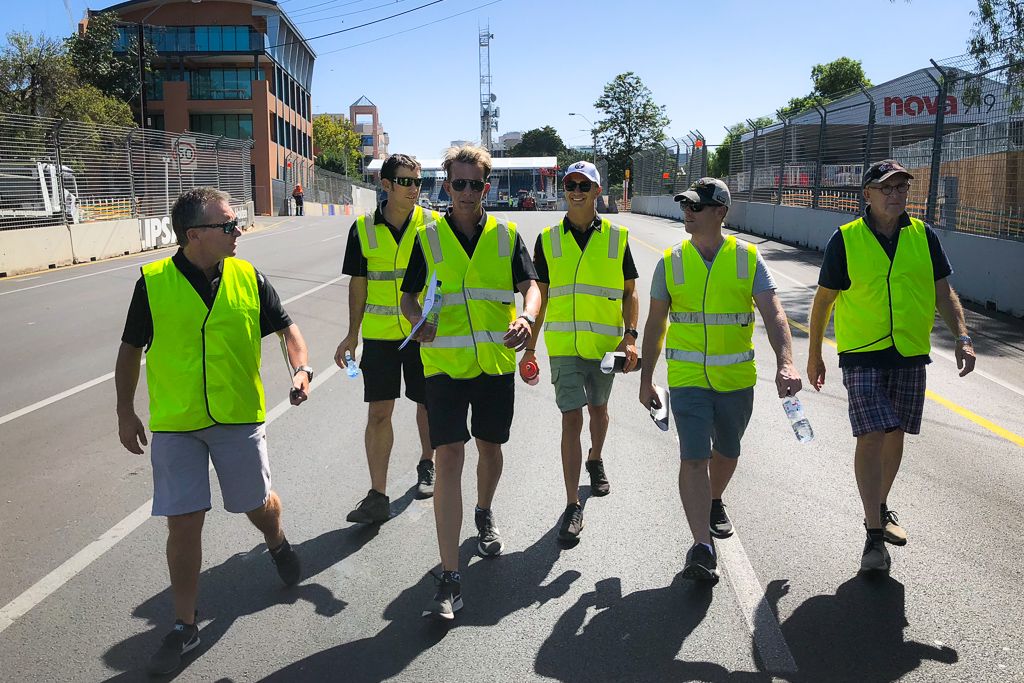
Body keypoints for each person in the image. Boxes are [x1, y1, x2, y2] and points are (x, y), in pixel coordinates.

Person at [115, 187, 311, 675]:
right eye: (228, 225)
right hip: (177, 422)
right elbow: (129, 351)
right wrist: (124, 411)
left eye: (237, 222)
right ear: (194, 235)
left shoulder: (249, 276)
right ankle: (185, 624)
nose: (238, 230)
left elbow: (288, 330)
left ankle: (277, 541)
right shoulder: (153, 282)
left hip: (237, 415)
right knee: (183, 520)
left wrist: (300, 369)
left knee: (255, 505)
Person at [807, 159, 976, 574]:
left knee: (896, 430)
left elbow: (942, 290)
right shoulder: (845, 239)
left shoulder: (923, 234)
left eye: (902, 187)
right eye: (887, 188)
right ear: (867, 194)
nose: (897, 194)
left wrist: (962, 335)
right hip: (862, 353)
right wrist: (814, 353)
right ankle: (872, 535)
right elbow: (824, 300)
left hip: (910, 352)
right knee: (871, 434)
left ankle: (880, 506)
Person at [400, 144, 541, 620]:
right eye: (456, 183)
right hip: (443, 367)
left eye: (474, 183)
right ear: (446, 185)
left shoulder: (506, 235)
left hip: (496, 366)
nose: (465, 192)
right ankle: (450, 575)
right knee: (449, 456)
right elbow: (407, 298)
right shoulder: (430, 238)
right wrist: (419, 321)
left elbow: (532, 286)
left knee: (490, 448)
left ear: (487, 186)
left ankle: (483, 512)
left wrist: (527, 316)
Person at [639, 178, 802, 583]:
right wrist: (647, 379)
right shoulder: (671, 261)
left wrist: (786, 362)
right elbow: (656, 323)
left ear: (720, 212)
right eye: (686, 205)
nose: (688, 211)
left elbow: (775, 314)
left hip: (736, 380)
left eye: (697, 206)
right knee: (693, 457)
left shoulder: (748, 259)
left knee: (727, 451)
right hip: (688, 378)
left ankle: (715, 499)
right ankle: (701, 547)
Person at [524, 160, 639, 543]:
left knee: (600, 412)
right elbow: (538, 293)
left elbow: (630, 292)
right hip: (563, 347)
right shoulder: (548, 239)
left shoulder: (617, 237)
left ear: (596, 191)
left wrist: (631, 337)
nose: (575, 190)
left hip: (604, 347)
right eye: (570, 184)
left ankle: (595, 458)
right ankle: (572, 505)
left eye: (583, 185)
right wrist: (529, 348)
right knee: (570, 419)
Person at [335, 154, 437, 523]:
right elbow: (358, 284)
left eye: (418, 182)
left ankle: (428, 463)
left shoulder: (432, 225)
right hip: (379, 339)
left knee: (426, 404)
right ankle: (377, 494)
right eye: (406, 181)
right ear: (387, 184)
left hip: (421, 333)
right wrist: (351, 334)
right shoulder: (362, 229)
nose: (414, 189)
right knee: (379, 413)